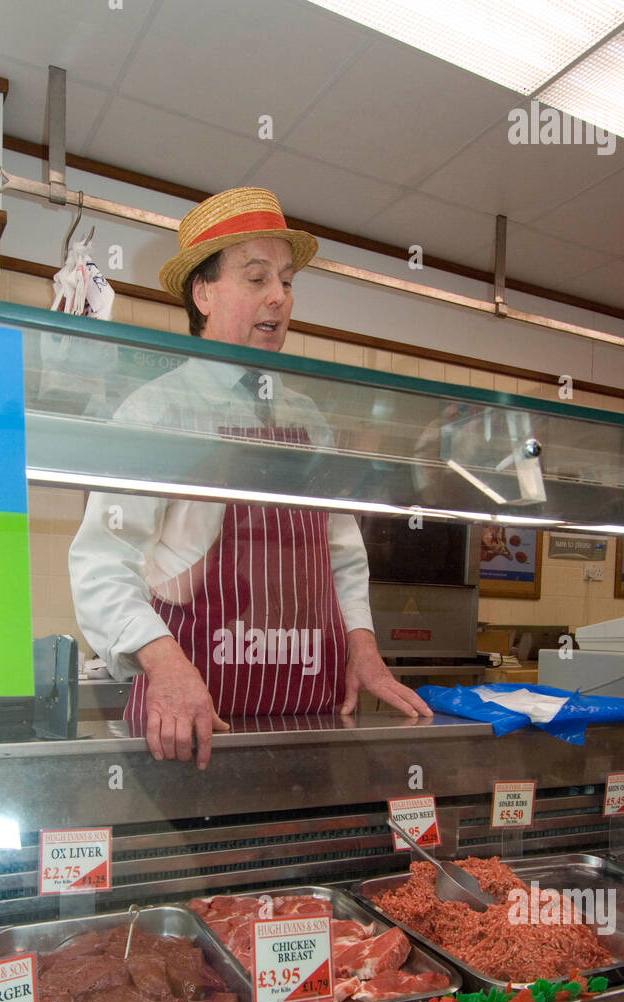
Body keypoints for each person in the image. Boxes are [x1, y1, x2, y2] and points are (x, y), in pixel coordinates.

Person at [69, 187, 431, 770]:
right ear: (203, 292)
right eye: (257, 278)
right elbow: (102, 562)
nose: (279, 298)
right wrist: (163, 663)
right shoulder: (157, 411)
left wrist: (362, 644)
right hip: (191, 718)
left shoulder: (307, 421)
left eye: (287, 281)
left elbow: (342, 555)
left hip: (308, 718)